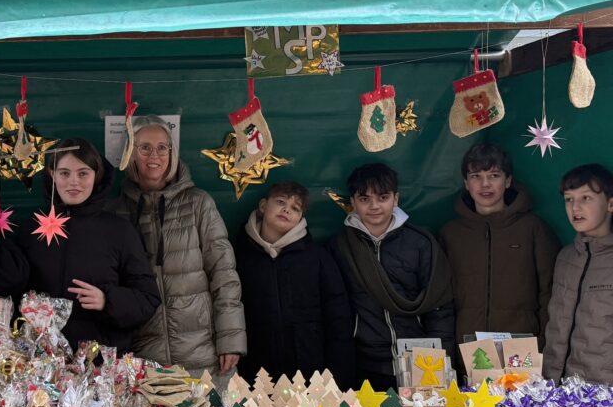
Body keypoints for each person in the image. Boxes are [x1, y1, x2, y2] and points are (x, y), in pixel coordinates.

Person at [0, 138, 160, 353]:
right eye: (64, 173)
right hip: (40, 366)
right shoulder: (29, 230)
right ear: (52, 175)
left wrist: (107, 299)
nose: (73, 181)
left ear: (97, 176)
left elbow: (148, 298)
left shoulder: (119, 231)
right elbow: (9, 289)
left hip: (100, 365)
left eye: (83, 173)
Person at [110, 116, 246, 386]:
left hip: (203, 354)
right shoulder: (115, 212)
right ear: (130, 154)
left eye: (163, 148)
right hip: (143, 357)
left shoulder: (198, 203)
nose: (154, 156)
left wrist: (230, 340)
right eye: (144, 147)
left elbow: (223, 274)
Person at [327, 163, 455, 391]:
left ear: (396, 199)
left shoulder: (420, 243)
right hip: (362, 363)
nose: (374, 206)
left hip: (418, 363)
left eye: (383, 197)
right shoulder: (339, 247)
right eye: (365, 199)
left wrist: (439, 359)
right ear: (353, 202)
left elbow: (440, 306)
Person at [235, 181, 355, 388]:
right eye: (280, 202)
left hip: (309, 369)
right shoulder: (238, 257)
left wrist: (336, 371)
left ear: (301, 217)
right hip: (254, 371)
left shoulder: (317, 258)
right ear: (263, 206)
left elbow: (338, 315)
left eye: (295, 208)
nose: (286, 210)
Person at [440, 144, 560, 347]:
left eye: (494, 175)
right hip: (467, 351)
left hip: (523, 355)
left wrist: (541, 343)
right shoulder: (450, 234)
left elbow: (551, 292)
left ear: (508, 181)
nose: (485, 184)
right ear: (466, 184)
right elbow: (440, 299)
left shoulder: (534, 229)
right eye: (476, 176)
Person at [543, 164, 613, 384]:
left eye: (586, 198)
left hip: (602, 393)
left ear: (610, 204)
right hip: (555, 388)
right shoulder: (565, 257)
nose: (575, 207)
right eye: (569, 199)